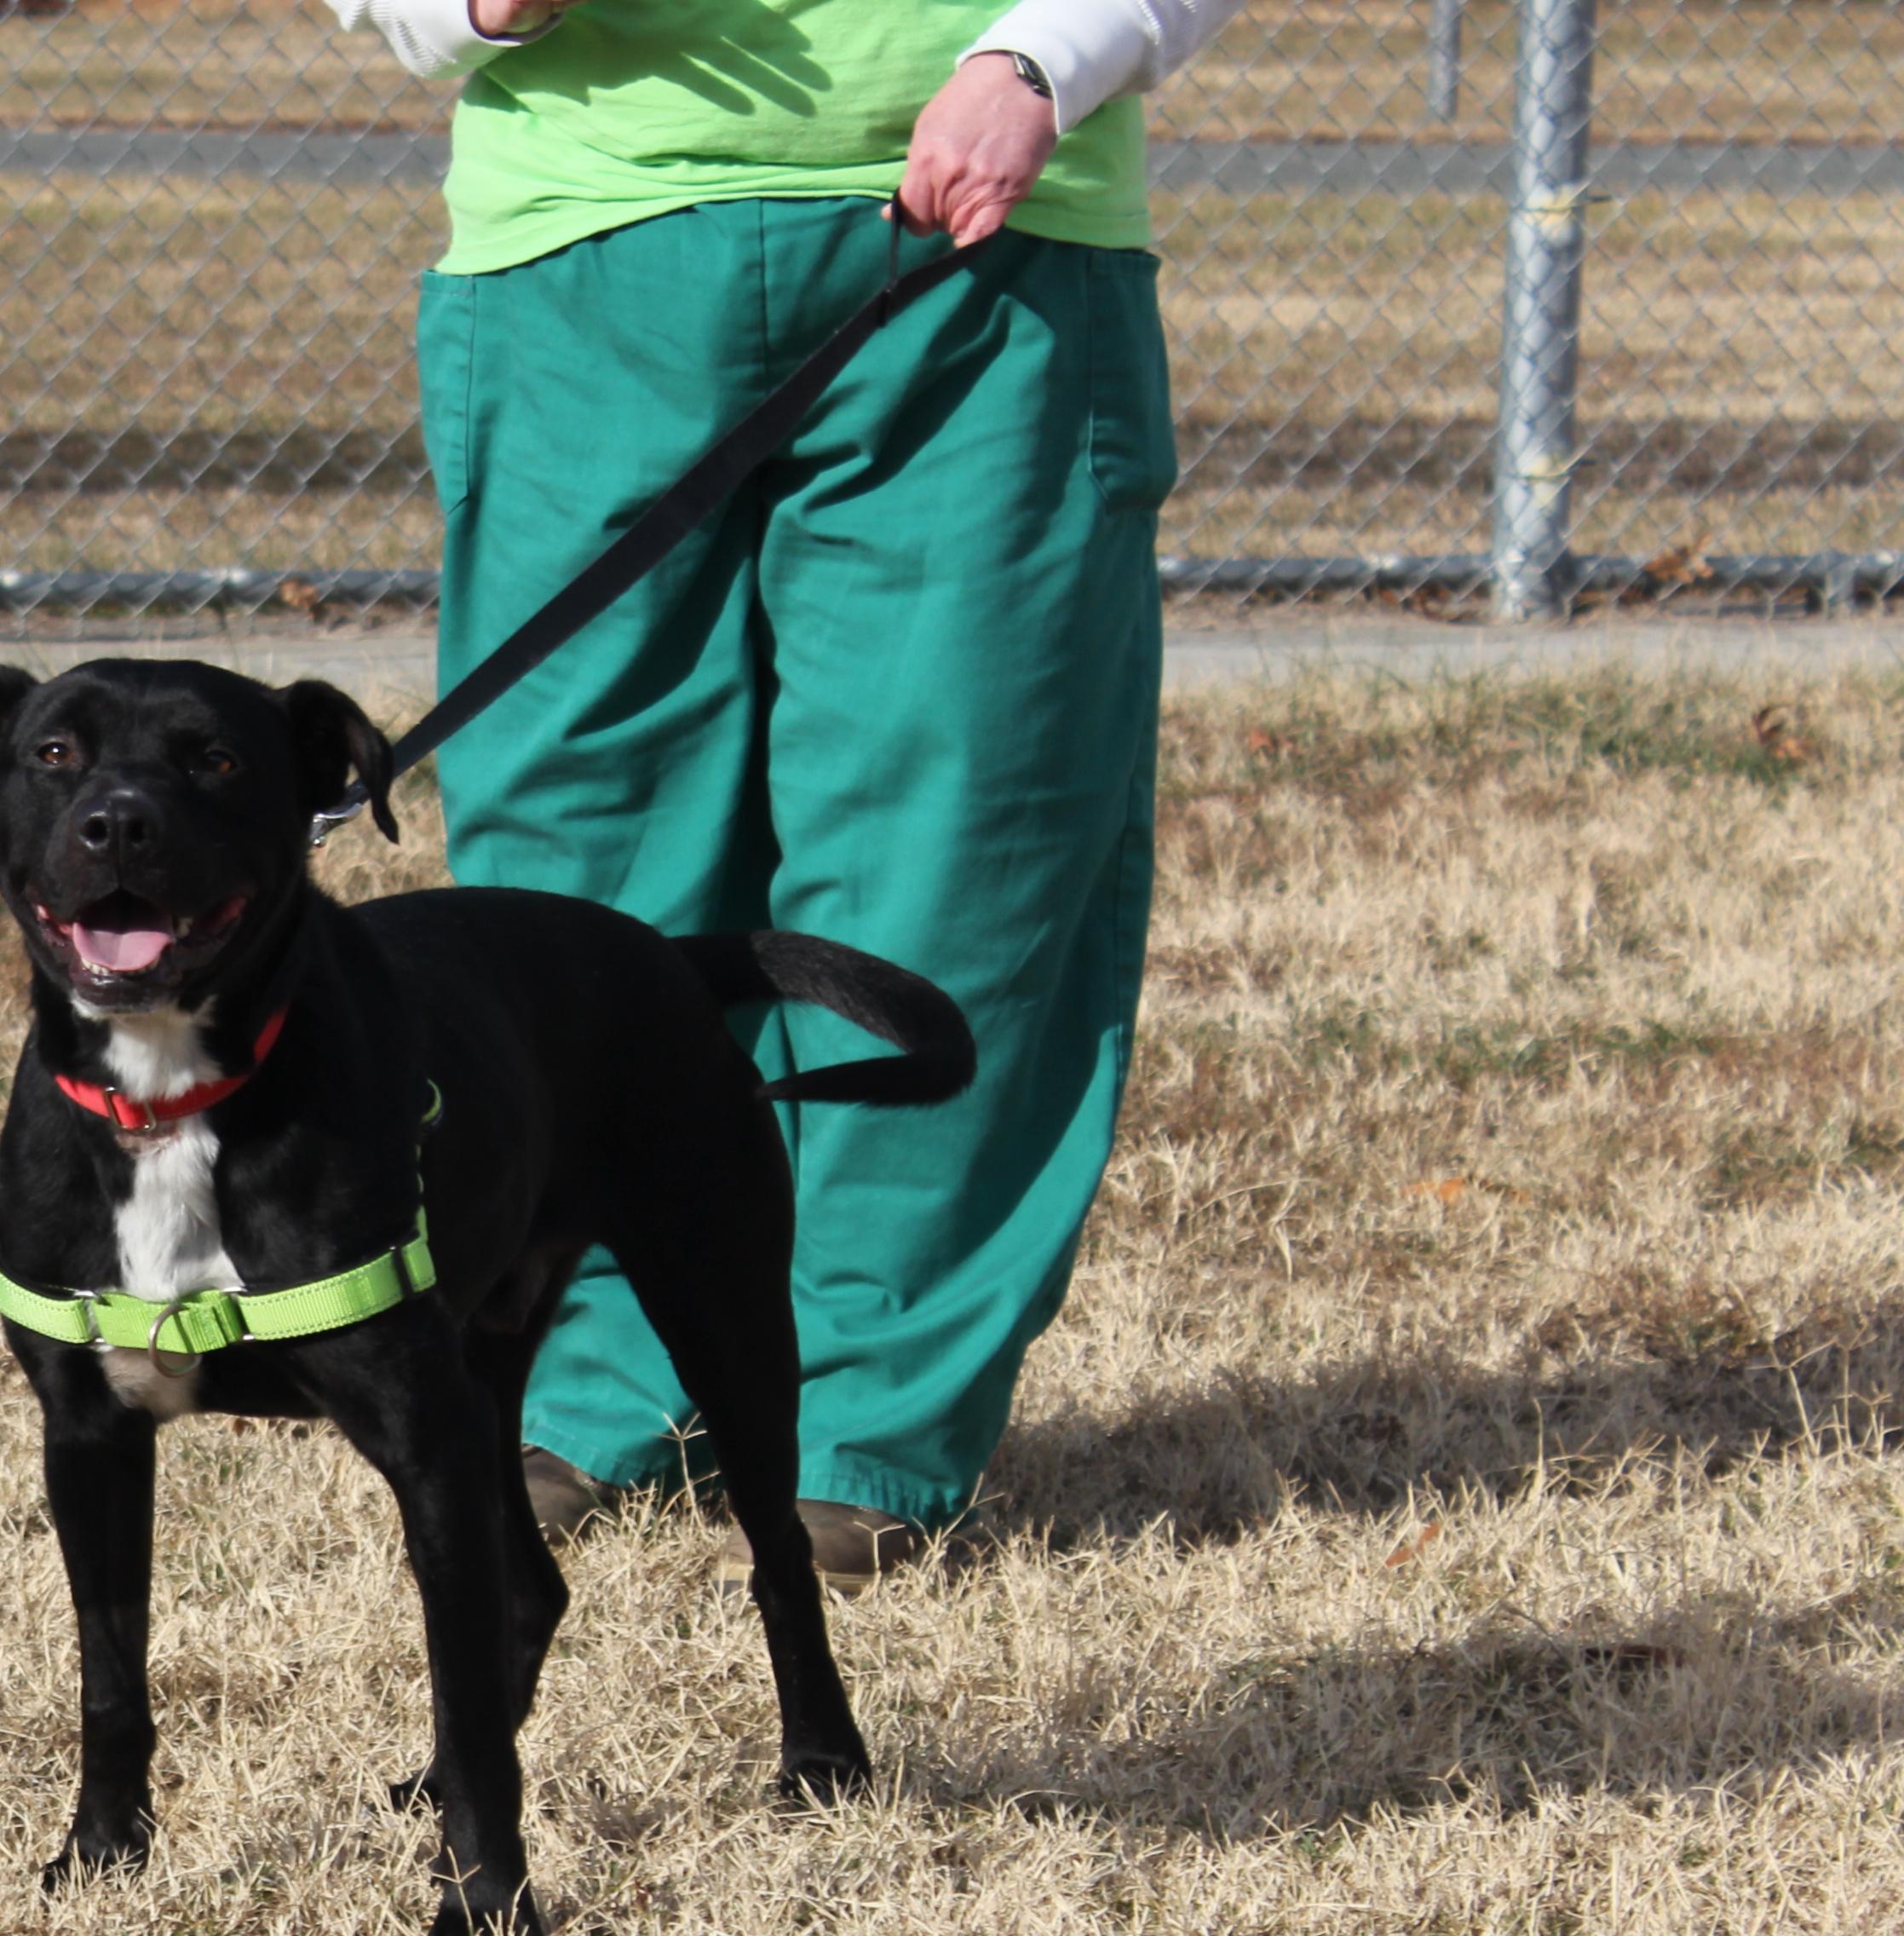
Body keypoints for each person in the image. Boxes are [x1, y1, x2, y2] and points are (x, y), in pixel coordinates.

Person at [335, 0, 1247, 1576]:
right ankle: (589, 1379)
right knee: (576, 865)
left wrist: (1042, 62)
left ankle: (871, 1425)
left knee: (959, 839)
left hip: (992, 240)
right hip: (583, 252)